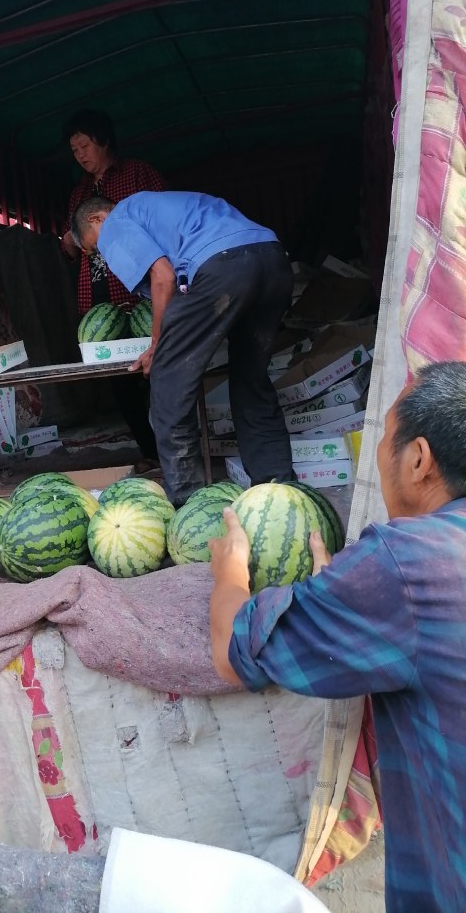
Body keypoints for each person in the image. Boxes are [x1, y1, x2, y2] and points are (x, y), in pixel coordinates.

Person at [208, 362, 466, 913]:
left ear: (418, 459)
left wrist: (229, 572)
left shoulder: (407, 563)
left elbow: (236, 651)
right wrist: (349, 598)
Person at [70, 191, 294, 505]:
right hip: (272, 260)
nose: (103, 256)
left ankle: (192, 504)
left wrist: (158, 345)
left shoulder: (117, 219)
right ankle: (280, 489)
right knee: (251, 380)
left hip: (224, 267)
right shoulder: (163, 206)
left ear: (96, 219)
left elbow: (163, 277)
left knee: (167, 385)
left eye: (95, 246)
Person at [60, 109, 166, 472]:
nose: (80, 154)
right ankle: (149, 451)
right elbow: (72, 246)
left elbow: (160, 222)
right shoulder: (78, 193)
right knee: (120, 382)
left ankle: (173, 448)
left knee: (157, 372)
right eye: (74, 150)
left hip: (139, 292)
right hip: (99, 297)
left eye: (85, 145)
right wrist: (70, 242)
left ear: (103, 140)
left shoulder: (137, 174)